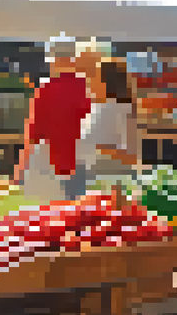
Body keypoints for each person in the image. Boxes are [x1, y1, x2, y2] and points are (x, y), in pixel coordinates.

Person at [15, 36, 92, 202]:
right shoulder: (86, 87)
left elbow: (33, 135)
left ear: (52, 60)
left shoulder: (45, 89)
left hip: (52, 165)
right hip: (82, 163)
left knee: (56, 219)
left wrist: (21, 168)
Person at [78, 60, 140, 180]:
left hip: (112, 178)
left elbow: (131, 155)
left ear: (106, 82)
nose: (89, 81)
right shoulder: (95, 108)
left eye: (94, 77)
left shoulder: (122, 109)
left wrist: (101, 150)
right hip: (88, 176)